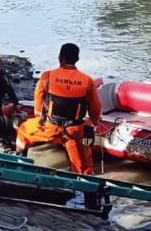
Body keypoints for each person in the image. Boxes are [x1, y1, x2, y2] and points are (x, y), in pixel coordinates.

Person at [15, 43, 101, 176]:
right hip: (73, 130)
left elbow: (38, 99)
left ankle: (21, 166)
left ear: (61, 57)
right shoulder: (88, 81)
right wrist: (95, 124)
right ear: (77, 59)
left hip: (50, 127)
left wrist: (39, 118)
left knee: (22, 130)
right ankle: (85, 187)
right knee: (82, 166)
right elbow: (95, 108)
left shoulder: (47, 76)